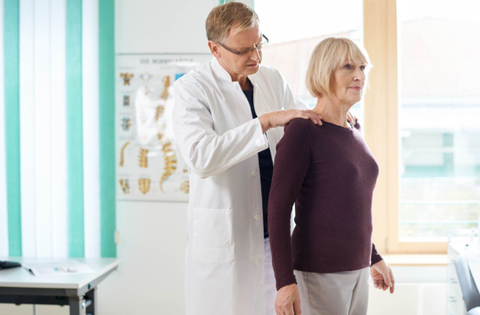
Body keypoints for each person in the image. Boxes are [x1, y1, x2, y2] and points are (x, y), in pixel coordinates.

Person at [268, 37, 395, 315]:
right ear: (324, 73)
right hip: (318, 273)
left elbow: (350, 206)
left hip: (357, 269)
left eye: (362, 67)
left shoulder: (353, 129)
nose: (359, 76)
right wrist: (284, 282)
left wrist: (373, 257)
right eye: (348, 67)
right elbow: (278, 210)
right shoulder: (303, 131)